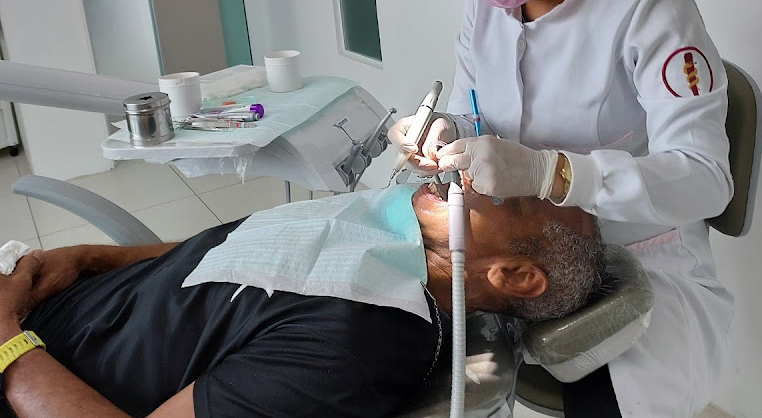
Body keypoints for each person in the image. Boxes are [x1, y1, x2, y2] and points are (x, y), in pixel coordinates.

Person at [389, 0, 734, 418]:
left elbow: (705, 179)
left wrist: (555, 175)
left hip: (636, 253)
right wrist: (446, 130)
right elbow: (477, 112)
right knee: (398, 350)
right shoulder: (487, 4)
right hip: (517, 251)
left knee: (612, 399)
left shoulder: (648, 5)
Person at [0, 181, 603, 418]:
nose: (473, 173)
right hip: (46, 304)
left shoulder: (348, 349)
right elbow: (224, 249)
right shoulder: (378, 234)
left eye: (506, 194)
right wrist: (89, 259)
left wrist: (7, 338)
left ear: (515, 276)